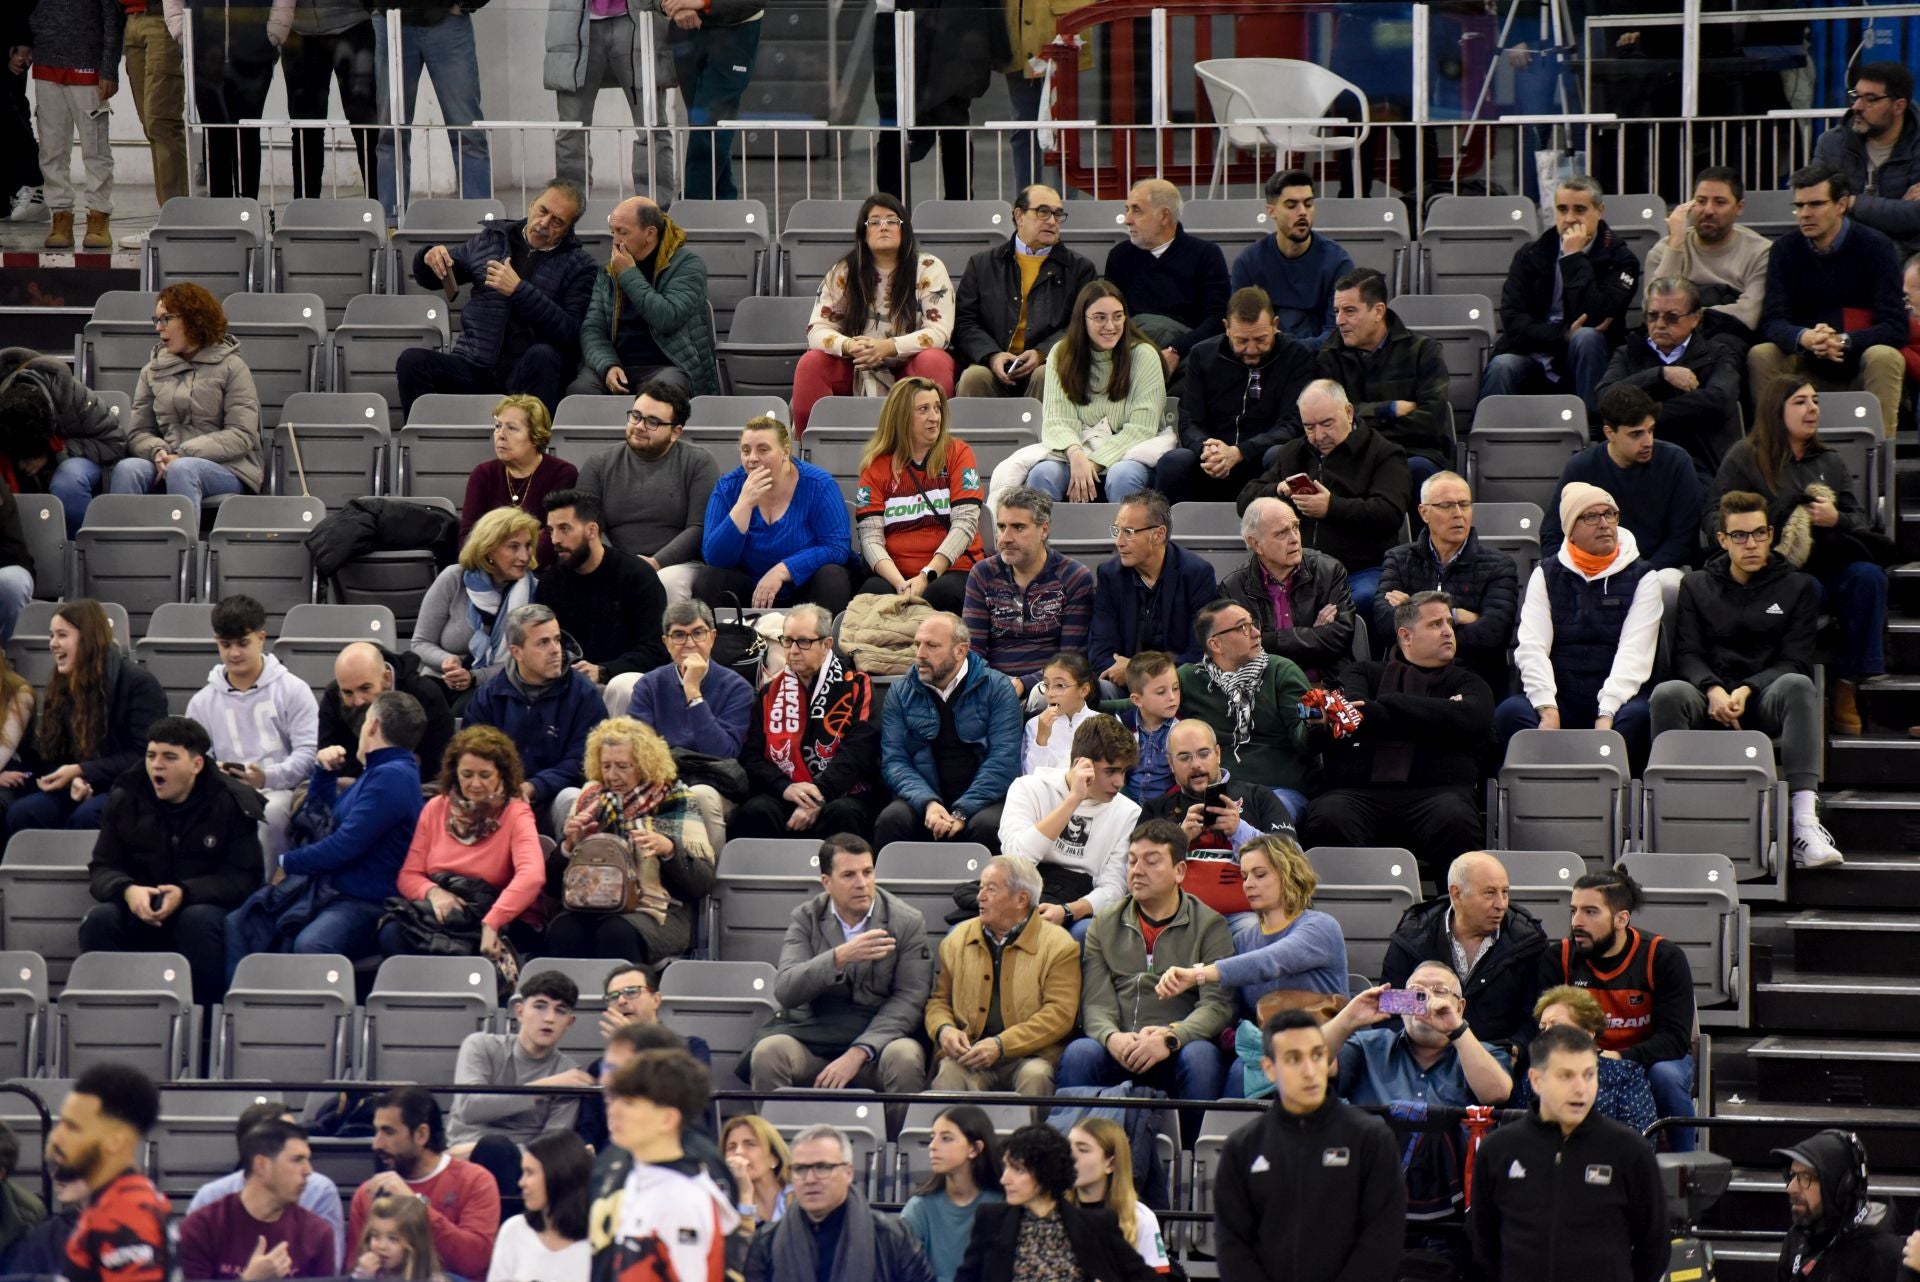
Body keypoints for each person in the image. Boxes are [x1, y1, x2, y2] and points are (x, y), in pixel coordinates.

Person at [1652, 490, 1841, 868]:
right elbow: (1686, 654)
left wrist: (1746, 689)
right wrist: (1713, 689)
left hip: (1766, 699)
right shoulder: (1697, 585)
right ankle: (1672, 817)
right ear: (1722, 539)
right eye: (1739, 536)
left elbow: (1796, 660)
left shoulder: (1798, 587)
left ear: (1771, 534)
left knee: (1801, 685)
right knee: (1667, 693)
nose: (1750, 544)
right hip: (1710, 700)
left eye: (1758, 533)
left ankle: (1803, 822)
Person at [1710, 378, 1889, 735]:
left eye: (1815, 401)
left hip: (1829, 561)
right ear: (1777, 410)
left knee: (1868, 577)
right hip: (1775, 570)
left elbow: (1860, 520)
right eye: (1801, 402)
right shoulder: (1746, 457)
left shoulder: (1830, 460)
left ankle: (1847, 684)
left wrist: (1835, 518)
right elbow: (1714, 513)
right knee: (1805, 590)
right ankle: (1797, 690)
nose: (1813, 410)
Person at [223, 690, 428, 977]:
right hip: (332, 892)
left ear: (373, 726)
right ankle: (247, 1010)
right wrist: (323, 772)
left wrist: (288, 863)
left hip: (364, 902)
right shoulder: (380, 772)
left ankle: (310, 1019)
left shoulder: (392, 776)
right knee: (240, 922)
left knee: (310, 944)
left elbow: (344, 846)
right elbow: (324, 823)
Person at [1302, 592, 1494, 886]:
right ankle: (1341, 914)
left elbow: (1472, 719)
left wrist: (1388, 705)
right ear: (1405, 635)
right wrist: (1438, 715)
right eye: (1435, 624)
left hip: (1439, 794)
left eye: (1449, 624)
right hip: (1358, 794)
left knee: (1456, 819)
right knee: (1328, 815)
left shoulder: (1469, 681)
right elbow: (1354, 719)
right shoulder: (1363, 673)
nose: (1447, 631)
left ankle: (1449, 918)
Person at [80, 715, 262, 1005]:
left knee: (198, 921)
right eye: (151, 756)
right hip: (141, 905)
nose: (157, 765)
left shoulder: (231, 802)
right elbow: (103, 866)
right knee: (100, 920)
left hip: (198, 910)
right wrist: (127, 890)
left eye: (169, 757)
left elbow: (244, 878)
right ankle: (105, 1022)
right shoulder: (125, 797)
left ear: (196, 764)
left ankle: (204, 1032)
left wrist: (185, 893)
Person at [1212, 1011, 1404, 1281]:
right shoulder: (1242, 1147)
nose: (1310, 1070)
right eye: (1294, 1059)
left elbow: (1382, 1237)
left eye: (1316, 1055)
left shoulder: (1371, 1139)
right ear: (1269, 1069)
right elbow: (1232, 1245)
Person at [1469, 1024, 1667, 1282]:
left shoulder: (1629, 1150)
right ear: (1536, 1080)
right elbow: (1484, 1242)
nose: (1581, 1088)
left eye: (1589, 1075)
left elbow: (1654, 1246)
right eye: (1566, 1076)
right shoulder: (1498, 1149)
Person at [1154, 834, 1347, 1097]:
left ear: (1288, 874)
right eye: (1244, 876)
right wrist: (1173, 1029)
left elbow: (1271, 961)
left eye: (1260, 874)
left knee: (1243, 1073)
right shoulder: (1243, 940)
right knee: (1219, 1063)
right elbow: (1231, 1005)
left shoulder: (1320, 926)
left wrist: (1198, 974)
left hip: (1323, 1048)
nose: (1248, 885)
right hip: (1266, 1048)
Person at [745, 834, 933, 1101]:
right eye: (849, 875)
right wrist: (838, 957)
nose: (862, 884)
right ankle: (776, 1140)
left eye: (868, 872)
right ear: (827, 883)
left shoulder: (907, 921)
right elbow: (786, 989)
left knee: (905, 1057)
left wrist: (860, 1051)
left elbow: (911, 998)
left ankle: (896, 1143)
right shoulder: (806, 918)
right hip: (815, 1035)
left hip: (878, 1043)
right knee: (769, 1052)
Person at [1057, 820, 1235, 1102]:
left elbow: (1217, 1005)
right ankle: (1076, 1143)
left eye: (1151, 861)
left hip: (1176, 1047)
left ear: (1179, 871)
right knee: (1081, 1052)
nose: (1137, 871)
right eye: (1131, 861)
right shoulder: (1104, 922)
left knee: (1201, 1056)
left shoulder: (1210, 925)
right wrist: (1111, 1037)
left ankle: (1194, 1147)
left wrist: (1171, 1037)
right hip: (1120, 1045)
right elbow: (1095, 1002)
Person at [397, 183, 597, 416]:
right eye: (543, 211)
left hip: (526, 374)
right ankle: (424, 442)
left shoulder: (580, 266)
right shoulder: (493, 239)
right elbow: (433, 278)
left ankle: (536, 447)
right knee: (412, 361)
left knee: (544, 356)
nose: (544, 224)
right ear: (532, 205)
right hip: (474, 364)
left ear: (568, 229)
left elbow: (572, 332)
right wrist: (429, 257)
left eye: (557, 222)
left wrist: (519, 290)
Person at [1500, 482, 1662, 763]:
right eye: (1591, 516)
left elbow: (1634, 654)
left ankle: (1620, 802)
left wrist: (1606, 712)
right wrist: (1547, 707)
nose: (1604, 523)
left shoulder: (1643, 577)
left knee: (1638, 718)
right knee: (1511, 713)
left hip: (1617, 698)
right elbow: (1531, 647)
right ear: (1570, 531)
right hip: (1559, 694)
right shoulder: (1546, 574)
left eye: (1610, 514)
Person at [1539, 866, 1699, 1151]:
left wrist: (1617, 1055)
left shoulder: (1662, 957)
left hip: (1652, 1057)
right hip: (1579, 1056)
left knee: (1667, 1077)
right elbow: (1542, 1028)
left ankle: (1685, 1172)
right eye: (1573, 910)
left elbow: (1674, 1039)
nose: (1577, 921)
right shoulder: (1559, 958)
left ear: (1621, 919)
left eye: (1590, 912)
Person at [1751, 163, 1907, 437]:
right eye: (1799, 206)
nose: (1805, 214)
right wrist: (1805, 338)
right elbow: (1773, 320)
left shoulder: (1877, 247)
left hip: (1859, 361)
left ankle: (1881, 460)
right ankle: (1773, 453)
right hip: (1805, 363)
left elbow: (1895, 326)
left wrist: (1844, 341)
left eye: (1816, 204)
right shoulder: (1785, 250)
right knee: (1762, 354)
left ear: (1841, 204)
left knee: (1885, 356)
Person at [543, 716, 715, 963]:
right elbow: (551, 887)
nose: (612, 776)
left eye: (622, 767)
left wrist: (668, 850)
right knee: (564, 931)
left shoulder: (675, 800)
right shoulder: (589, 799)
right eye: (606, 766)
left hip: (661, 911)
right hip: (588, 903)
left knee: (616, 932)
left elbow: (701, 885)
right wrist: (570, 847)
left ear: (644, 765)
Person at [1237, 379, 1412, 619]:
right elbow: (1245, 502)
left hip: (1362, 569)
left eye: (1327, 424)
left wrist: (1332, 507)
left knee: (1358, 601)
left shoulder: (1384, 453)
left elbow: (1390, 513)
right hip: (1296, 573)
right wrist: (1278, 489)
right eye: (1309, 427)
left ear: (1348, 412)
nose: (1319, 435)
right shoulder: (1292, 452)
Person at [379, 725, 545, 963]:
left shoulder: (516, 812)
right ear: (454, 772)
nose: (475, 784)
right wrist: (434, 893)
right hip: (442, 912)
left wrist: (493, 921)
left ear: (502, 774)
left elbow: (532, 876)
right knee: (393, 932)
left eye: (485, 775)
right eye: (467, 774)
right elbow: (409, 874)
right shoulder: (436, 807)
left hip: (494, 912)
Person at [792, 194, 956, 433]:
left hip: (909, 362)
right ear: (864, 232)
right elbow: (817, 329)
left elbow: (939, 332)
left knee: (934, 361)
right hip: (855, 362)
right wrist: (850, 346)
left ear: (904, 230)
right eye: (875, 222)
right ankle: (810, 452)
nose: (884, 227)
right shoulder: (844, 271)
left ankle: (933, 449)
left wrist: (887, 347)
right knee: (811, 362)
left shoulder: (929, 268)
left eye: (892, 221)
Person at [0, 598, 165, 835]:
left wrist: (82, 771)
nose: (53, 644)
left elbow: (144, 756)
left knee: (87, 816)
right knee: (23, 812)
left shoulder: (138, 684)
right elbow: (51, 753)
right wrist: (70, 779)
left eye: (62, 635)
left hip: (128, 786)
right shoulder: (60, 684)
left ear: (88, 638)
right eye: (52, 636)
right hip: (76, 783)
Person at [1480, 176, 1642, 409]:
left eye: (1580, 209)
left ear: (1599, 211)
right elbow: (1513, 321)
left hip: (1586, 361)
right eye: (1562, 209)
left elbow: (1596, 316)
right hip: (1533, 354)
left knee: (1586, 337)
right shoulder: (1532, 254)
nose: (1569, 219)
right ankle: (1489, 438)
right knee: (1502, 365)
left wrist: (1573, 259)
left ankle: (1595, 433)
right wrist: (1562, 334)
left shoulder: (1620, 260)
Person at [926, 853, 1080, 1095]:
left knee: (1036, 1076)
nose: (980, 897)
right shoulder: (956, 939)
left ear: (1021, 899)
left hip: (1030, 1057)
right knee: (949, 1071)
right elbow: (939, 1001)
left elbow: (1059, 1014)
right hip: (970, 1054)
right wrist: (944, 1029)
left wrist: (1001, 1045)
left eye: (991, 889)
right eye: (981, 887)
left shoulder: (1060, 945)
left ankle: (1032, 1135)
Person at [186, 594, 320, 872]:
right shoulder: (202, 702)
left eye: (243, 643)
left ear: (261, 638)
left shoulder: (293, 690)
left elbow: (307, 755)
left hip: (281, 790)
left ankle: (267, 893)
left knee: (269, 813)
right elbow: (194, 760)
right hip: (223, 792)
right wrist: (215, 772)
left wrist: (266, 777)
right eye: (225, 645)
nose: (234, 653)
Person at [1152, 286, 1315, 505]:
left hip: (1262, 459)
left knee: (1281, 454)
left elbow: (1293, 425)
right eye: (1242, 341)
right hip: (1214, 460)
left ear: (1275, 325)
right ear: (1226, 328)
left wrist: (1240, 452)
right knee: (1174, 461)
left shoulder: (1296, 356)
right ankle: (1165, 536)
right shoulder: (1202, 355)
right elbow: (1189, 420)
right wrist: (1206, 448)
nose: (1251, 349)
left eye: (1260, 339)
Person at [734, 604, 883, 841]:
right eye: (787, 641)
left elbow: (860, 751)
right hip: (788, 791)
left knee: (843, 813)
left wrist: (820, 793)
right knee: (757, 811)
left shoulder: (856, 685)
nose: (793, 650)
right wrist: (784, 787)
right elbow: (751, 756)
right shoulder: (769, 692)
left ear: (826, 645)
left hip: (842, 792)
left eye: (803, 641)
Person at [876, 612, 1023, 850]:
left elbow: (1004, 760)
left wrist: (963, 810)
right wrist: (928, 804)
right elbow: (894, 761)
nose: (920, 654)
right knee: (892, 819)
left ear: (960, 651)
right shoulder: (900, 691)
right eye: (917, 644)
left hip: (981, 801)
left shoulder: (997, 688)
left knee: (988, 826)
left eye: (931, 646)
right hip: (923, 798)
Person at [599, 1050, 742, 1282]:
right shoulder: (637, 1178)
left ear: (667, 1119)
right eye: (614, 1099)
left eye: (629, 1103)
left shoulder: (683, 1199)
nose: (613, 1111)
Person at [116, 284, 264, 507]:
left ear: (193, 319)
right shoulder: (152, 371)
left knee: (182, 469)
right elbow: (139, 432)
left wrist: (183, 454)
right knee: (127, 469)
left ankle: (182, 542)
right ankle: (124, 541)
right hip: (169, 460)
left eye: (166, 319)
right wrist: (158, 451)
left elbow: (241, 435)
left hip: (228, 467)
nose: (159, 328)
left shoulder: (233, 367)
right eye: (156, 320)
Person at [1382, 850, 1548, 1045]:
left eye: (1504, 892)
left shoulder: (1527, 943)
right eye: (1489, 893)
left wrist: (1516, 1049)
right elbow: (1392, 1009)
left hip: (1497, 1059)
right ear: (1457, 894)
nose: (1501, 904)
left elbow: (1536, 1016)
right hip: (1424, 1056)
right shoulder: (1414, 937)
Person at [1542, 385, 1704, 583]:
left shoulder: (1676, 462)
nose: (1648, 442)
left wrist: (1637, 574)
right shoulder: (1582, 467)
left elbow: (1683, 539)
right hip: (1594, 571)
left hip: (1659, 569)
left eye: (1651, 430)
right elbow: (1553, 533)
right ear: (1610, 433)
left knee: (1668, 583)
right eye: (1636, 434)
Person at [1374, 470, 1518, 694]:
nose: (1458, 514)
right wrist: (1461, 616)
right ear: (1424, 513)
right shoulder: (1399, 559)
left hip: (1473, 679)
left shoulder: (1499, 565)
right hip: (1408, 679)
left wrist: (1413, 611)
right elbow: (1384, 622)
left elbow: (1493, 634)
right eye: (1446, 506)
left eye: (1464, 504)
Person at [953, 1124, 1156, 1282]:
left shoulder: (1097, 1224)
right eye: (1006, 1168)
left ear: (1045, 1172)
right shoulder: (991, 1219)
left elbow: (1144, 1277)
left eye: (1018, 1170)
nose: (1004, 1179)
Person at [574, 381, 718, 604]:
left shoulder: (699, 463)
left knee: (665, 581)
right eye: (636, 416)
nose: (640, 426)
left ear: (675, 432)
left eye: (653, 422)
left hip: (676, 565)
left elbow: (699, 528)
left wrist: (654, 563)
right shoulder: (598, 465)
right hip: (610, 560)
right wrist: (616, 564)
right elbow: (589, 525)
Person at [447, 971, 588, 1198]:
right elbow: (470, 1108)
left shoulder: (569, 1075)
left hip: (521, 1170)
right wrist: (544, 1087)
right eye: (540, 1006)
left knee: (496, 1150)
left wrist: (487, 1149)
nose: (549, 1018)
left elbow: (551, 1147)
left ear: (569, 1022)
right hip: (460, 1160)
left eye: (560, 1010)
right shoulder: (480, 1046)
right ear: (520, 1012)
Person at [1140, 721, 1302, 918]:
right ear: (1171, 764)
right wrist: (1178, 841)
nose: (1196, 764)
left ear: (1218, 754)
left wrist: (1240, 831)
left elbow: (1294, 859)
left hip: (1249, 917)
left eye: (1203, 753)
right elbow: (1137, 875)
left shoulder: (1257, 796)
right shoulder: (1156, 809)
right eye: (1184, 757)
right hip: (1178, 920)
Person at [952, 184, 1100, 400]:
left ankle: (1046, 435)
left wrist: (1043, 352)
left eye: (1058, 214)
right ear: (1019, 216)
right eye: (1043, 212)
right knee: (974, 377)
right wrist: (992, 355)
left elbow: (1081, 324)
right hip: (993, 362)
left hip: (1049, 362)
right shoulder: (982, 264)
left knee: (1046, 375)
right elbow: (965, 322)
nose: (1052, 221)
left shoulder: (1080, 269)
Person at [854, 376, 986, 615]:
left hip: (952, 570)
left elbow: (965, 524)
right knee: (871, 595)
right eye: (923, 409)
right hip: (897, 574)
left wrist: (926, 575)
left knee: (940, 594)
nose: (934, 417)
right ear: (901, 416)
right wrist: (899, 584)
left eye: (937, 408)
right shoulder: (875, 466)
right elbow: (870, 538)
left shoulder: (958, 453)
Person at [696, 416, 854, 613]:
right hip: (750, 588)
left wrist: (783, 570)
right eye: (746, 450)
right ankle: (727, 642)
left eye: (763, 449)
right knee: (709, 578)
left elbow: (837, 547)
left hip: (803, 586)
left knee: (833, 576)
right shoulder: (728, 488)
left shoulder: (818, 484)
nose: (752, 458)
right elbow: (714, 558)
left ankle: (820, 641)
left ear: (785, 452)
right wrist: (744, 504)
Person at [1030, 279, 1167, 505]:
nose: (1111, 326)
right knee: (1042, 474)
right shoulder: (1060, 353)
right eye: (1100, 317)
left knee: (1121, 475)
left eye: (1117, 316)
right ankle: (1046, 540)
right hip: (1077, 452)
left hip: (1130, 454)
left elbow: (1142, 428)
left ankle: (1124, 540)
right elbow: (1057, 421)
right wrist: (1076, 456)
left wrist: (1093, 464)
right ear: (1082, 320)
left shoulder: (1144, 355)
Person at [462, 604, 599, 827]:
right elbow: (472, 753)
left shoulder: (584, 694)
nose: (556, 650)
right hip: (500, 796)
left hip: (554, 796)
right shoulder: (490, 695)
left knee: (573, 798)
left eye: (557, 639)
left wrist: (535, 787)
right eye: (543, 643)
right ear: (516, 652)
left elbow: (583, 761)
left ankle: (564, 858)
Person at [1174, 599, 1314, 815]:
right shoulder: (1190, 678)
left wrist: (1315, 723)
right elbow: (1141, 705)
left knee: (1255, 816)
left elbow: (1305, 742)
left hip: (1279, 790)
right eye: (1243, 628)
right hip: (1219, 790)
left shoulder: (1281, 671)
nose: (1257, 633)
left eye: (1253, 624)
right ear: (1215, 645)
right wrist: (1100, 697)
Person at [1595, 278, 1744, 481]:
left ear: (1695, 318)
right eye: (1653, 316)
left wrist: (1645, 415)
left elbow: (1719, 401)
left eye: (1672, 317)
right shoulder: (1628, 353)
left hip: (1700, 463)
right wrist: (1660, 374)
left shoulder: (1717, 354)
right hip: (1635, 466)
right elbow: (1606, 398)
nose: (1660, 324)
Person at [1317, 267, 1452, 486]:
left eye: (1349, 311)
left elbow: (1431, 422)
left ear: (1378, 311)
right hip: (1351, 456)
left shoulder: (1423, 351)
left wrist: (1357, 419)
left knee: (1417, 470)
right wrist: (1387, 410)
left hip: (1412, 452)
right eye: (1336, 311)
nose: (1339, 320)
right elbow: (1328, 423)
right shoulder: (1329, 356)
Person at [348, 1087, 500, 1282]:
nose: (376, 1144)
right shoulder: (367, 1193)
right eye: (376, 1131)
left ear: (421, 1134)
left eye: (388, 1132)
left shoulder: (476, 1181)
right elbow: (355, 1268)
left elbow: (473, 1261)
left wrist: (417, 1205)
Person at [746, 1124, 933, 1282]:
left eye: (822, 1167)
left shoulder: (892, 1237)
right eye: (800, 1169)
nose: (810, 1179)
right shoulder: (766, 1242)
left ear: (848, 1173)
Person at [576, 196, 719, 399]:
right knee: (580, 392)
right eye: (613, 232)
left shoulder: (687, 266)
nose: (615, 241)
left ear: (650, 234)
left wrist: (629, 274)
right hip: (619, 363)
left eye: (623, 232)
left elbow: (667, 318)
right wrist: (608, 365)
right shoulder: (609, 270)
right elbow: (592, 329)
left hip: (669, 365)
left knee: (659, 395)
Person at [961, 486, 1095, 701]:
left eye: (1018, 528)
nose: (1005, 538)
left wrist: (1024, 684)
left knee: (1045, 696)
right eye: (1001, 526)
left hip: (1048, 687)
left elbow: (1071, 658)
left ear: (1044, 530)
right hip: (991, 685)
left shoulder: (1074, 576)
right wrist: (998, 685)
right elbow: (973, 649)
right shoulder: (983, 574)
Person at [534, 488, 668, 697]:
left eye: (564, 529)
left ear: (592, 531)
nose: (555, 540)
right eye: (551, 530)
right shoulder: (550, 583)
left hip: (621, 682)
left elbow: (655, 651)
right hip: (567, 683)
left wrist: (604, 671)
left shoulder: (637, 577)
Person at [1323, 961, 1514, 1107]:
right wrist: (1348, 1017)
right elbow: (1313, 1064)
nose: (1427, 999)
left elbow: (1497, 1094)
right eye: (1416, 991)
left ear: (1460, 1007)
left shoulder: (1484, 1053)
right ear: (1402, 1001)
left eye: (1440, 990)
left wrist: (1456, 1028)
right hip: (1379, 1156)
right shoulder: (1368, 1047)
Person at [369, 0, 490, 225]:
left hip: (448, 20)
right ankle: (388, 228)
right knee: (389, 135)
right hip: (390, 19)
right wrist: (374, 5)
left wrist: (466, 3)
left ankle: (482, 229)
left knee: (468, 134)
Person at [46, 1063, 170, 1281]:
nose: (56, 1138)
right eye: (61, 1123)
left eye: (73, 1127)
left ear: (115, 1141)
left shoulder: (126, 1215)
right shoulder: (114, 1202)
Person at [412, 508, 541, 714]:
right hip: (440, 678)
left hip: (497, 684)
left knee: (471, 708)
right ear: (489, 549)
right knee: (416, 705)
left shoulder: (534, 592)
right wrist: (447, 661)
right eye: (514, 547)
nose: (524, 556)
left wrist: (474, 677)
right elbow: (420, 643)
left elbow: (525, 662)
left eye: (528, 546)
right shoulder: (454, 578)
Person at [185, 1102, 346, 1267]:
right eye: (297, 1159)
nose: (308, 1171)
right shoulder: (204, 1222)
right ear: (261, 1164)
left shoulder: (317, 1229)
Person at [1103, 179, 1232, 377]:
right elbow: (1110, 315)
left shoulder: (1206, 255)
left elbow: (1217, 320)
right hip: (1129, 353)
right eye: (1127, 209)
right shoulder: (1120, 256)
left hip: (1186, 354)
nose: (1127, 219)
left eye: (1136, 210)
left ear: (1164, 216)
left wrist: (1176, 350)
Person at [1220, 495, 1355, 681]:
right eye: (1281, 533)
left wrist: (1268, 639)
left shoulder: (1329, 571)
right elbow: (1238, 650)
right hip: (1266, 690)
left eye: (1295, 528)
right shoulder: (1233, 587)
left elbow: (1340, 638)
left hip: (1327, 684)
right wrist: (1313, 635)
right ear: (1256, 544)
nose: (1294, 539)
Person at [543, 0, 667, 203]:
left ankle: (656, 212)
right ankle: (569, 210)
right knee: (571, 129)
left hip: (638, 15)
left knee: (653, 126)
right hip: (574, 21)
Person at [0, 343, 131, 535]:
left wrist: (54, 453)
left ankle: (77, 545)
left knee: (69, 477)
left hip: (84, 457)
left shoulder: (77, 398)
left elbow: (115, 444)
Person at [1089, 490, 1216, 683]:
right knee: (1100, 689)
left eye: (1128, 532)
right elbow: (1099, 652)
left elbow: (1199, 653)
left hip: (1178, 683)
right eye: (1117, 530)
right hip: (1123, 685)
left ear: (1158, 534)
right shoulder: (1110, 575)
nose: (1119, 542)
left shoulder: (1196, 574)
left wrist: (1138, 672)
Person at [27, 0, 124, 249]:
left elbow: (112, 17)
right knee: (52, 149)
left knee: (95, 148)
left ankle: (98, 215)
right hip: (45, 64)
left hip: (88, 66)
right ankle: (60, 215)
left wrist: (109, 69)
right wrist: (23, 45)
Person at [1642, 165, 1771, 344]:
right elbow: (1652, 311)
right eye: (1701, 201)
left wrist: (1684, 318)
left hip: (1730, 342)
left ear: (1739, 207)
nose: (1708, 210)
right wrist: (1675, 245)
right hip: (1671, 342)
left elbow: (1749, 315)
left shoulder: (1760, 252)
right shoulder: (1664, 249)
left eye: (1720, 202)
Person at [1507, 987, 1658, 1134]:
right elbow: (1516, 1135)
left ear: (1588, 1032)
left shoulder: (1626, 1074)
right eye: (1543, 1027)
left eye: (1556, 1026)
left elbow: (1639, 1137)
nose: (1547, 1034)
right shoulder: (1534, 1077)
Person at [1231, 170, 1355, 348]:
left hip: (1319, 359)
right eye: (1291, 205)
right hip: (1264, 356)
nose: (1302, 212)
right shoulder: (1248, 263)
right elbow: (1241, 327)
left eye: (1309, 204)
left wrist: (1291, 351)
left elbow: (1336, 332)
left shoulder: (1338, 263)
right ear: (1271, 211)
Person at [1812, 61, 1920, 254]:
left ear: (1898, 106)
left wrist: (1852, 203)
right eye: (1856, 96)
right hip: (1846, 251)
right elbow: (1818, 206)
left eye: (1871, 99)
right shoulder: (1831, 144)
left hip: (1909, 254)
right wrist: (1897, 208)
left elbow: (1916, 216)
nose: (1857, 107)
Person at [624, 600, 754, 755]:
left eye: (698, 633)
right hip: (661, 774)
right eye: (679, 635)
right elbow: (639, 750)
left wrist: (693, 693)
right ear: (666, 643)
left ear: (712, 637)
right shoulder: (649, 685)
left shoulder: (738, 688)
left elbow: (724, 754)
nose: (690, 643)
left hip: (712, 775)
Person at [458, 395, 580, 562]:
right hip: (489, 571)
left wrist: (493, 540)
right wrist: (528, 538)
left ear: (535, 436)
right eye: (497, 426)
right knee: (451, 575)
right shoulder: (483, 474)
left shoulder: (562, 473)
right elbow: (467, 539)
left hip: (538, 573)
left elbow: (551, 542)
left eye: (512, 428)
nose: (500, 435)